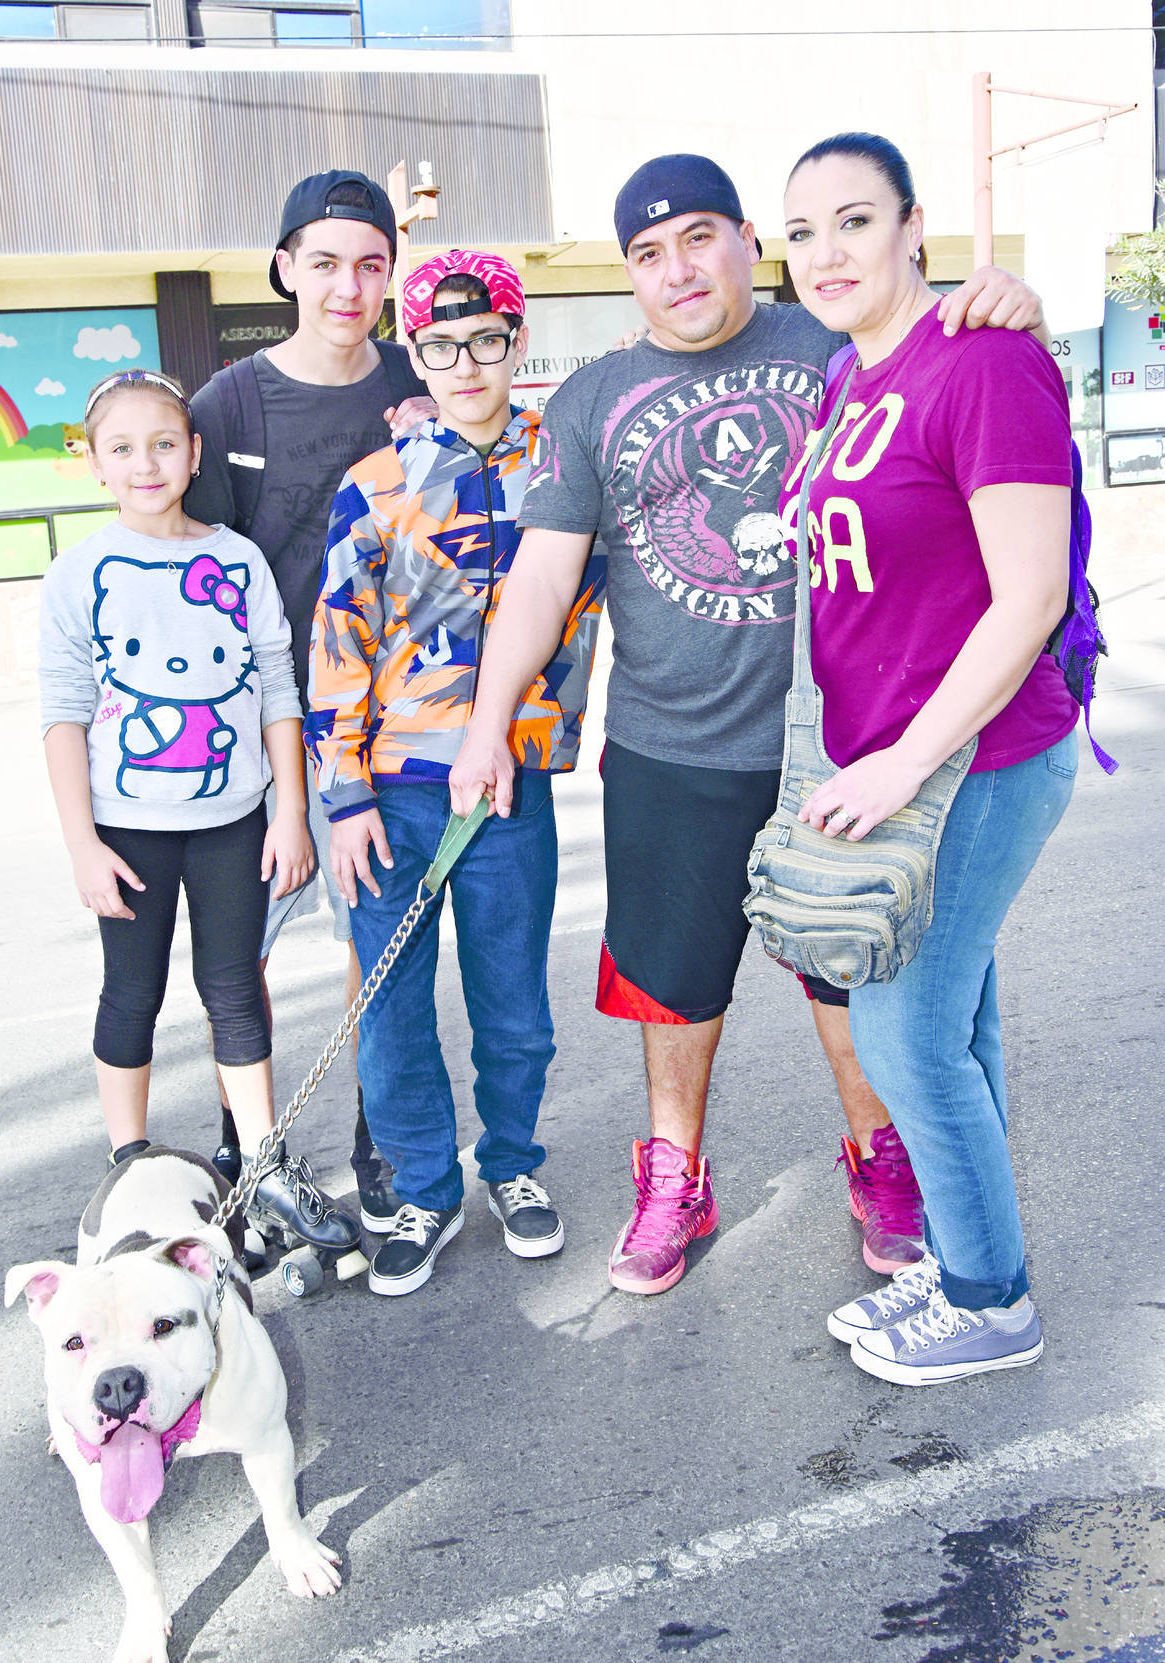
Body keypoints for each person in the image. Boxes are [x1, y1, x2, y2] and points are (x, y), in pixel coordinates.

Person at [448, 153, 1046, 1297]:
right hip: (669, 746)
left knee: (849, 965)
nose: (676, 269)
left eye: (698, 238)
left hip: (840, 740)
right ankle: (673, 1175)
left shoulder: (833, 341)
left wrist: (1011, 300)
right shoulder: (591, 401)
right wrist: (487, 725)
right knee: (669, 983)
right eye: (647, 252)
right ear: (628, 272)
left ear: (745, 242)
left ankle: (879, 1158)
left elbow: (960, 372)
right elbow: (539, 579)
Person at [780, 132, 1077, 1383]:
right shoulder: (848, 377)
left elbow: (1028, 597)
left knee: (902, 1035)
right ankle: (969, 1259)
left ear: (913, 226)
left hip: (975, 759)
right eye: (800, 233)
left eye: (854, 220)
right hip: (890, 765)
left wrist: (903, 760)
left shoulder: (983, 361)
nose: (826, 253)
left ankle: (988, 1302)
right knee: (951, 1026)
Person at [308, 251, 603, 1296]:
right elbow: (337, 640)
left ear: (517, 341)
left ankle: (510, 1164)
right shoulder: (376, 484)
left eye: (486, 340)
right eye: (439, 345)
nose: (466, 364)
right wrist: (343, 792)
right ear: (415, 352)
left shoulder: (566, 466)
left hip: (511, 784)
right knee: (390, 1009)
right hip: (391, 788)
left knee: (513, 1002)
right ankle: (426, 1190)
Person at [37, 368, 358, 1258]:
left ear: (194, 453)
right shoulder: (78, 572)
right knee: (131, 992)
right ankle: (127, 1169)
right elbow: (62, 716)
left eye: (164, 444)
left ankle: (261, 1165)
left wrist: (289, 811)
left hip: (233, 821)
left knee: (234, 988)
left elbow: (279, 689)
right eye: (123, 448)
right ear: (95, 463)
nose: (146, 463)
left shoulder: (237, 560)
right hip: (127, 829)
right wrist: (83, 845)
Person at [186, 169, 433, 1229]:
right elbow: (189, 571)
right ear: (286, 268)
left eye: (371, 265)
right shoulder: (229, 405)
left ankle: (381, 1136)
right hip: (254, 733)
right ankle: (249, 1149)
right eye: (325, 262)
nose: (348, 286)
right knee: (237, 951)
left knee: (371, 946)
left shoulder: (419, 377)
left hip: (385, 728)